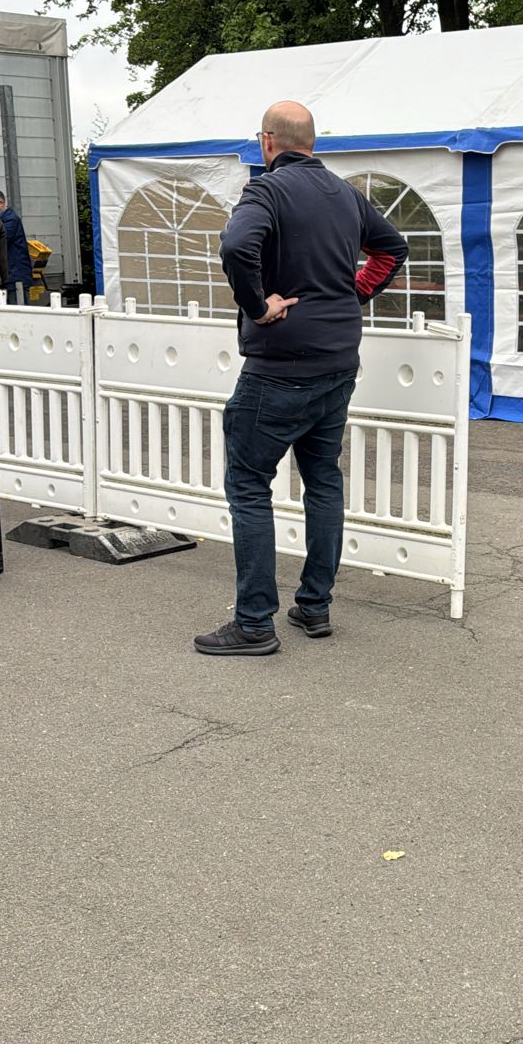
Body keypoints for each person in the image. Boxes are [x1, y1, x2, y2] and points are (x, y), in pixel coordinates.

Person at [195, 100, 408, 657]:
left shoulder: (266, 191)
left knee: (248, 485)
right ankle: (314, 606)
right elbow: (392, 248)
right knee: (323, 480)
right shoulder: (345, 194)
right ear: (312, 142)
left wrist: (258, 304)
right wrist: (352, 294)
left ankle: (254, 623)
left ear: (267, 141)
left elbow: (237, 247)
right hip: (338, 362)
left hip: (280, 365)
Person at [0, 188, 35, 303]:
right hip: (11, 274)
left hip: (15, 275)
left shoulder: (11, 220)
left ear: (1, 203)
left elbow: (0, 242)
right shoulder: (4, 219)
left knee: (17, 307)